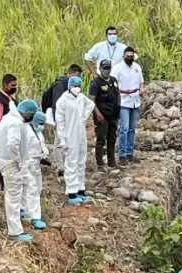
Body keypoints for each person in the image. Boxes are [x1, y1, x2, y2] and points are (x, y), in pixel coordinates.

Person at [0, 99, 38, 242]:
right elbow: (12, 145)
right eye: (31, 115)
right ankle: (15, 232)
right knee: (13, 196)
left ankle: (18, 218)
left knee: (16, 193)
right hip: (10, 163)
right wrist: (19, 162)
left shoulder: (9, 117)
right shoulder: (15, 123)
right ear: (26, 113)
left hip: (5, 160)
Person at [55, 76, 96, 206]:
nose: (77, 87)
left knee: (81, 161)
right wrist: (62, 138)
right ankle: (71, 191)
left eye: (79, 85)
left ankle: (80, 188)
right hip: (69, 134)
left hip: (80, 133)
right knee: (71, 162)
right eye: (75, 85)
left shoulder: (81, 98)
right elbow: (60, 121)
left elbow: (91, 104)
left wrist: (83, 117)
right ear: (69, 86)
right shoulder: (63, 100)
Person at [111, 46, 144, 165]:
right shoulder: (117, 69)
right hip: (123, 100)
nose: (130, 58)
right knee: (124, 128)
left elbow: (141, 82)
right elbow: (113, 85)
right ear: (123, 56)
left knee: (132, 128)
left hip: (135, 99)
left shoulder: (137, 67)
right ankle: (122, 155)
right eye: (128, 56)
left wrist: (141, 90)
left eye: (131, 56)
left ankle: (130, 153)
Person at [89, 59, 121, 169]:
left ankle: (112, 162)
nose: (106, 71)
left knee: (112, 139)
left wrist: (119, 109)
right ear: (100, 69)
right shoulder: (95, 83)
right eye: (104, 68)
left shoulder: (113, 80)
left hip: (113, 115)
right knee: (101, 140)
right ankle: (100, 164)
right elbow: (91, 100)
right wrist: (97, 113)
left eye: (108, 68)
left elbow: (118, 95)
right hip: (102, 116)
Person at [21, 111, 50, 230]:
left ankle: (25, 209)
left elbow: (40, 144)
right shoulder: (26, 131)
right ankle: (34, 217)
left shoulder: (37, 131)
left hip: (36, 163)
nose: (41, 126)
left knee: (37, 188)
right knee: (31, 189)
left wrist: (44, 153)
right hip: (28, 163)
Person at [0, 74, 19, 151]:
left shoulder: (10, 98)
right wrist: (6, 135)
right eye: (12, 85)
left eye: (15, 85)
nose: (14, 88)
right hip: (0, 140)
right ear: (5, 84)